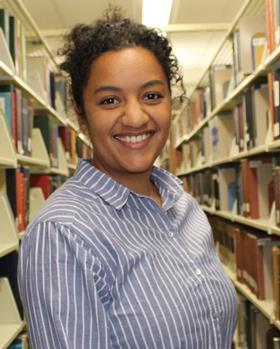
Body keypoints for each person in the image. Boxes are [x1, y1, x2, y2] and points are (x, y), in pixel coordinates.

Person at [18, 7, 237, 349]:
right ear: (82, 116)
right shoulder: (63, 234)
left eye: (151, 96)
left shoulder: (186, 209)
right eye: (110, 100)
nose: (135, 117)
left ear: (169, 103)